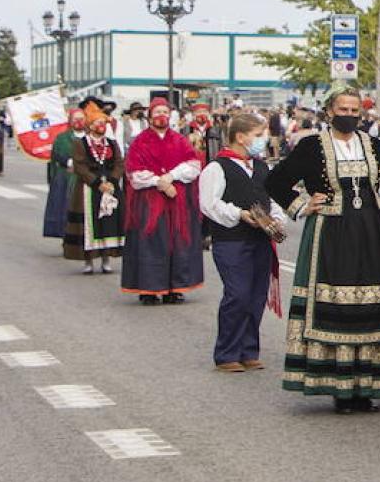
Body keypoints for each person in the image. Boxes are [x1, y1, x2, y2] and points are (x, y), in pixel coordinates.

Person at [264, 89, 380, 412]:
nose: (349, 115)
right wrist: (302, 205)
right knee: (337, 306)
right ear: (330, 112)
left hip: (374, 231)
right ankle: (340, 388)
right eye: (343, 109)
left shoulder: (374, 144)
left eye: (354, 110)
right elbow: (275, 182)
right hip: (331, 232)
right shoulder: (311, 146)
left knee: (373, 305)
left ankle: (368, 386)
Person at [199, 113, 287, 373]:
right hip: (232, 240)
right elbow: (209, 203)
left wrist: (276, 219)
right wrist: (239, 214)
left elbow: (272, 199)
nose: (263, 140)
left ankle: (249, 349)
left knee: (257, 294)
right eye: (257, 135)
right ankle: (227, 353)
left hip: (260, 238)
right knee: (237, 294)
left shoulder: (261, 167)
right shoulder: (217, 167)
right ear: (240, 137)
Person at [121, 99, 204, 304]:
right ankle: (149, 289)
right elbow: (134, 172)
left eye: (165, 112)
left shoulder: (179, 140)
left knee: (177, 242)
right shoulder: (140, 142)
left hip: (177, 201)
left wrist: (171, 176)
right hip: (149, 201)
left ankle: (174, 288)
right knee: (151, 243)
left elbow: (193, 165)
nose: (162, 116)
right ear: (150, 117)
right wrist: (160, 182)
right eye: (157, 112)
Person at [66, 102, 126, 275]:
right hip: (88, 187)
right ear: (90, 125)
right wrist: (97, 183)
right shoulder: (80, 143)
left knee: (107, 222)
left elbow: (119, 163)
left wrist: (112, 181)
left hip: (109, 186)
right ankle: (88, 260)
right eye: (98, 123)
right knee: (88, 223)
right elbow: (80, 166)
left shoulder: (111, 143)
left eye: (103, 123)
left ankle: (106, 258)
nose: (102, 126)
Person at [41, 109, 84, 235]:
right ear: (70, 120)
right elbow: (56, 156)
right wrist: (68, 162)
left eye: (81, 118)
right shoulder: (62, 138)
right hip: (66, 177)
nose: (78, 121)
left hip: (86, 177)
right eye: (75, 119)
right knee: (65, 206)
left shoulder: (90, 137)